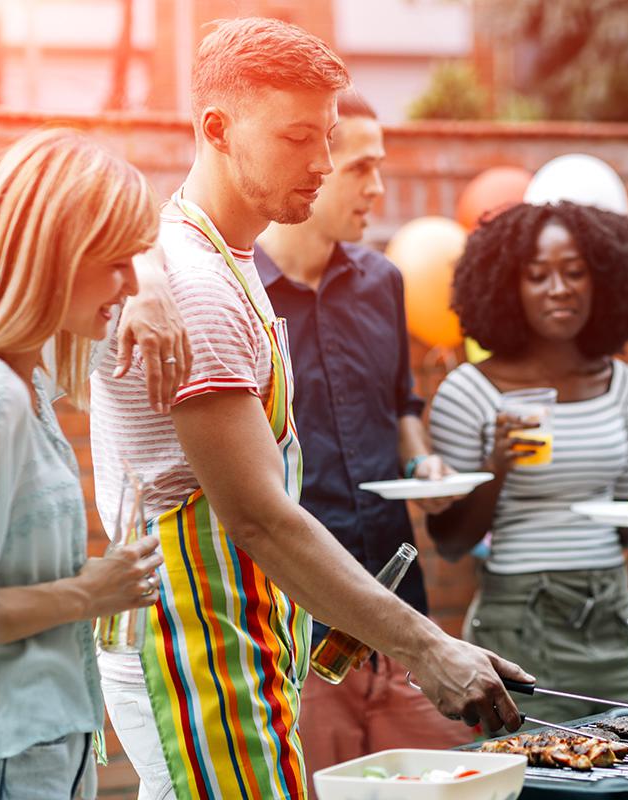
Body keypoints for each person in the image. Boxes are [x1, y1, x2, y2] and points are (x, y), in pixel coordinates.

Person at [89, 18, 527, 798]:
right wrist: (429, 648)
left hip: (230, 637)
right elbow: (260, 518)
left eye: (328, 135)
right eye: (298, 137)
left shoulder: (216, 259)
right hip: (192, 647)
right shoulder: (194, 283)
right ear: (216, 129)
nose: (323, 164)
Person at [254, 89, 473, 787]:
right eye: (361, 168)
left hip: (406, 622)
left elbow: (401, 404)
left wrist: (424, 461)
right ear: (310, 162)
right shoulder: (241, 297)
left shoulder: (384, 282)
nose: (377, 188)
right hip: (301, 634)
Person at [0, 128, 164, 799]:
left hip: (50, 742)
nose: (132, 284)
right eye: (117, 263)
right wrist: (93, 591)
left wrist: (144, 294)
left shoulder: (30, 384)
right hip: (8, 753)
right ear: (57, 258)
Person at [427, 201, 628, 722]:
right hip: (519, 620)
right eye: (538, 276)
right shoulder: (470, 391)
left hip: (612, 614)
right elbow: (451, 540)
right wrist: (497, 466)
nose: (560, 289)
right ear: (508, 287)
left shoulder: (625, 388)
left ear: (604, 282)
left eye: (575, 273)